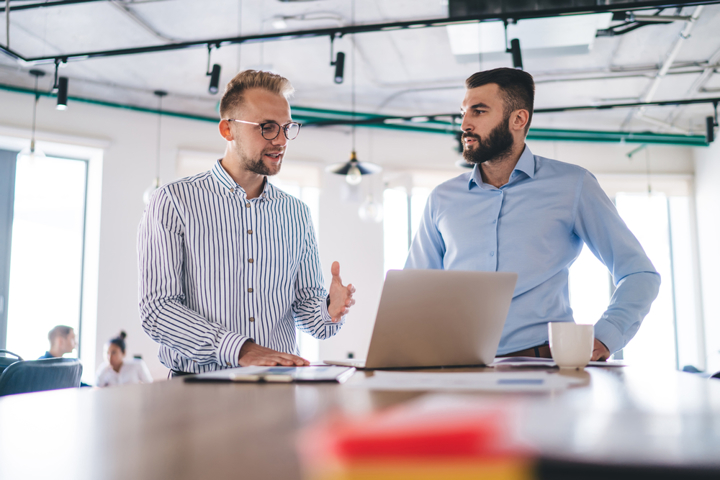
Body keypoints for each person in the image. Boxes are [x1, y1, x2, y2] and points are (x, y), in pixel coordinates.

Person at [405, 68, 661, 361]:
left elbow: (639, 273)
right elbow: (414, 293)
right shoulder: (441, 199)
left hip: (543, 368)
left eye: (478, 111)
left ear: (518, 119)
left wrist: (608, 334)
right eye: (463, 113)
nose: (465, 124)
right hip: (457, 367)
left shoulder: (572, 185)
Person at [138, 70, 356, 375]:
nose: (281, 140)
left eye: (287, 127)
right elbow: (158, 311)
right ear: (227, 130)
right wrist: (240, 349)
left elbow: (310, 314)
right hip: (197, 393)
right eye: (267, 128)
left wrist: (331, 310)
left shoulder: (296, 214)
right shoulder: (174, 202)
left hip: (280, 388)